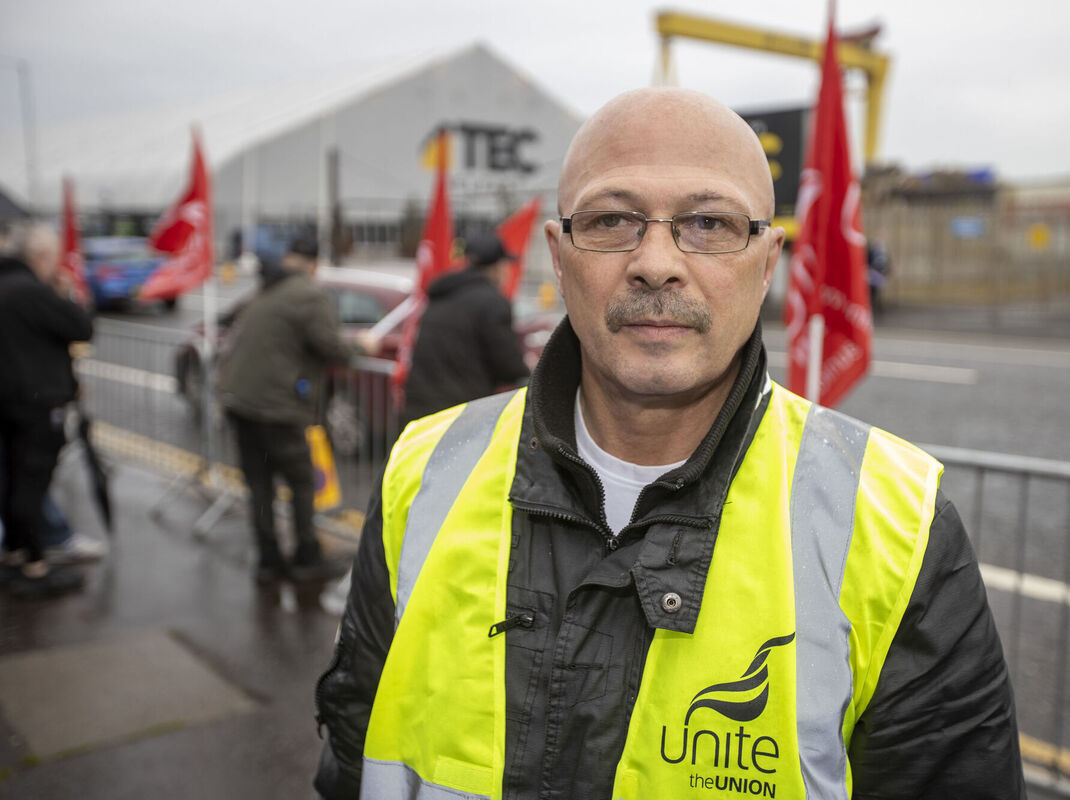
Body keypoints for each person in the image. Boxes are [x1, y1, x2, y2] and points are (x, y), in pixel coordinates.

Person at [313, 88, 1025, 799]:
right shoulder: (422, 471)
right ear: (559, 258)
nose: (656, 261)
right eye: (613, 220)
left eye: (709, 222)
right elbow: (354, 753)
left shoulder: (897, 525)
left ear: (768, 259)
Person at [218, 237, 377, 584]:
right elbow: (331, 345)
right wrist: (362, 344)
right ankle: (307, 555)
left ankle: (268, 560)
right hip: (277, 406)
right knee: (301, 481)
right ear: (314, 263)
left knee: (259, 484)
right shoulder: (308, 294)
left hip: (241, 400)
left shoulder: (265, 289)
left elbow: (230, 321)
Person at [0, 223, 94, 597]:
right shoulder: (31, 292)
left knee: (10, 478)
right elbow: (81, 327)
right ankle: (35, 565)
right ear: (40, 257)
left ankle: (15, 554)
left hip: (7, 400)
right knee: (32, 482)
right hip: (35, 403)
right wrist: (63, 293)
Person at [400, 231, 531, 426]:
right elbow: (507, 365)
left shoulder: (441, 295)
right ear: (495, 267)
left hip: (419, 412)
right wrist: (529, 368)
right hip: (461, 416)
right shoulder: (492, 302)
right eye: (505, 265)